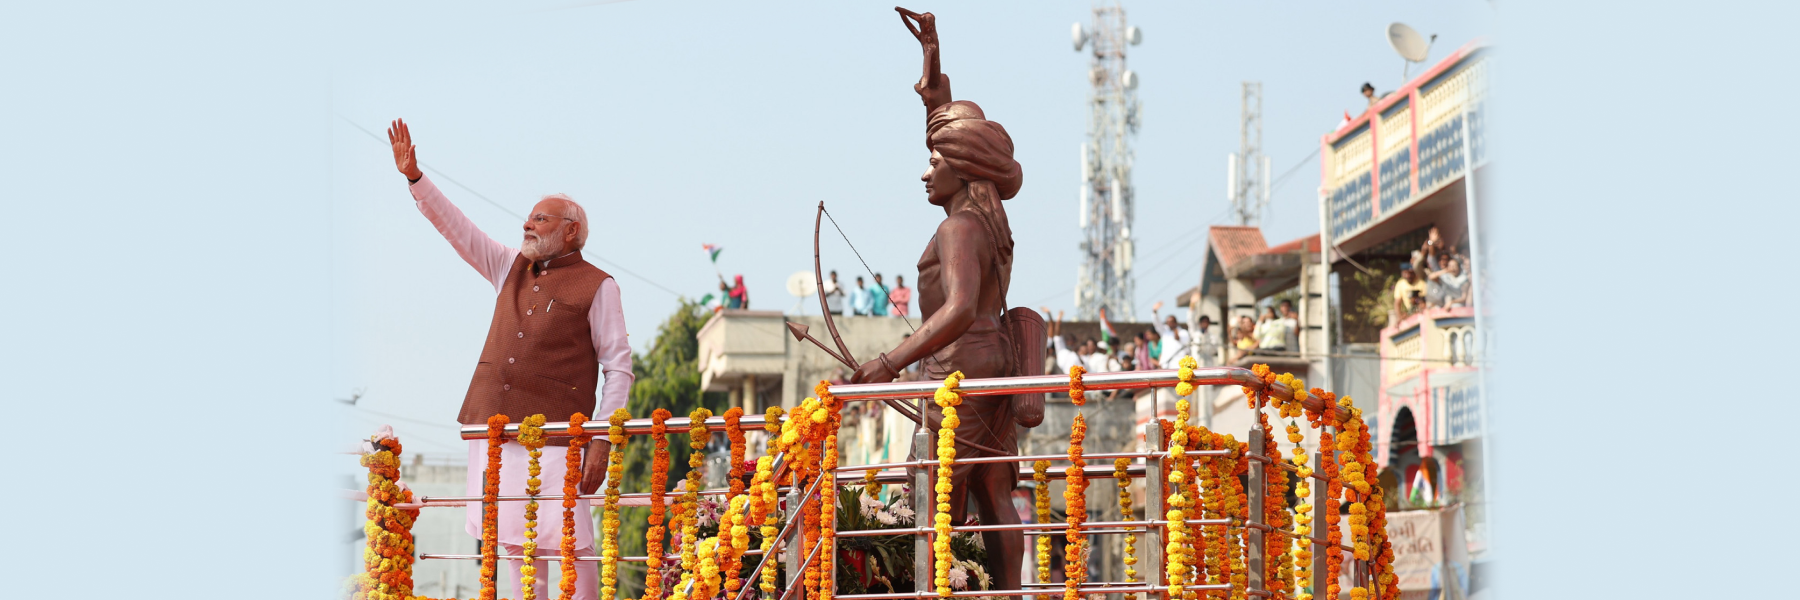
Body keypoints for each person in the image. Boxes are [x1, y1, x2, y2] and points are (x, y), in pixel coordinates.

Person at [387, 119, 629, 600]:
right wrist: (416, 179)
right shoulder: (507, 267)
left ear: (570, 230)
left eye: (540, 218)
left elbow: (618, 368)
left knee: (569, 549)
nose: (527, 224)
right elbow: (458, 229)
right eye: (528, 216)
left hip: (559, 440)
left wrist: (603, 440)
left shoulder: (599, 285)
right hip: (498, 435)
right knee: (516, 553)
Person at [848, 10, 1029, 593]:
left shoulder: (958, 229)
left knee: (932, 487)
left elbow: (956, 309)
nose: (925, 172)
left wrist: (887, 364)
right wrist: (934, 78)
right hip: (994, 358)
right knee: (993, 487)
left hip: (961, 365)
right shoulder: (984, 218)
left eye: (935, 162)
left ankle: (929, 586)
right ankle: (1007, 589)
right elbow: (947, 134)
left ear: (963, 166)